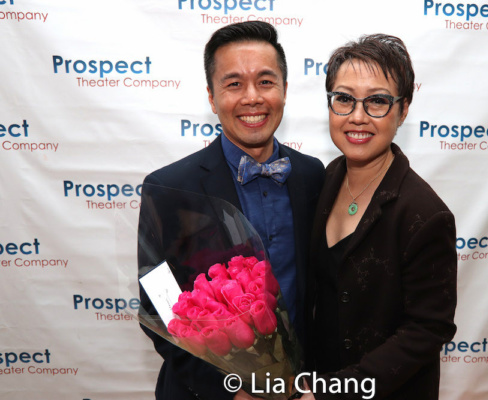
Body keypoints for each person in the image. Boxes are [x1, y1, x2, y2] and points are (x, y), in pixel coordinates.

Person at [137, 21, 325, 400]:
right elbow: (158, 308)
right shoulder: (169, 187)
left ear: (285, 91)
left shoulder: (313, 175)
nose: (252, 97)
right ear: (211, 96)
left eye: (266, 82)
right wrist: (229, 392)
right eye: (234, 83)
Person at [303, 34, 458, 399]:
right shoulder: (320, 182)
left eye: (377, 101)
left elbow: (427, 330)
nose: (357, 117)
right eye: (343, 99)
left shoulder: (424, 213)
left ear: (403, 110)